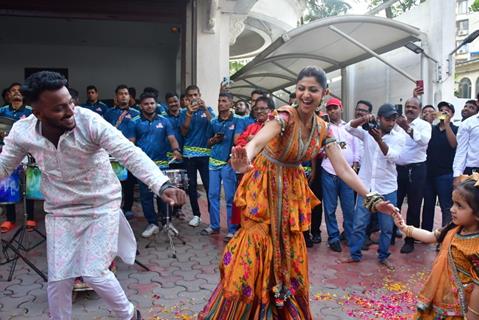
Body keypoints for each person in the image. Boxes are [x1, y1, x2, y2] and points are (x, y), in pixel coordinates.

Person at [198, 66, 398, 319]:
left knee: (288, 256)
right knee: (254, 255)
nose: (306, 94)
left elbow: (344, 169)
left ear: (324, 93)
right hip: (264, 189)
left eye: (312, 90)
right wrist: (243, 160)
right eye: (301, 88)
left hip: (291, 193)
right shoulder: (284, 116)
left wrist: (372, 198)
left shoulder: (323, 128)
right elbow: (257, 142)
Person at [0, 71, 186, 320]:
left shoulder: (89, 122)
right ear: (38, 113)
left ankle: (130, 315)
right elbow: (4, 166)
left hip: (101, 206)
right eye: (59, 108)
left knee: (94, 272)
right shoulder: (23, 132)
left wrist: (161, 185)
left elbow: (129, 153)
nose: (70, 111)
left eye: (70, 103)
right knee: (59, 279)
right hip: (60, 211)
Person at [392, 175, 479, 320]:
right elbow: (430, 236)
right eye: (453, 203)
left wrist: (472, 316)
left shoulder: (475, 246)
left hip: (460, 309)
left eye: (460, 206)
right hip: (440, 298)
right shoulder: (453, 228)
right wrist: (404, 227)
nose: (452, 209)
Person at [345, 103, 405, 270]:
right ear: (378, 118)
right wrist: (363, 118)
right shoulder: (367, 132)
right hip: (366, 187)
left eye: (394, 119)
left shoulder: (398, 136)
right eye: (387, 119)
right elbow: (348, 128)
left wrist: (379, 140)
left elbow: (394, 157)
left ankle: (383, 256)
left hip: (387, 188)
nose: (391, 123)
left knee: (387, 227)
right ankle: (355, 254)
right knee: (359, 223)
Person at [133, 92, 182, 238]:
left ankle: (167, 222)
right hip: (143, 165)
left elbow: (172, 138)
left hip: (162, 164)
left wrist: (176, 150)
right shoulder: (135, 122)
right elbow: (131, 142)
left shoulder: (164, 121)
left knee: (164, 194)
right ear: (141, 106)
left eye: (152, 103)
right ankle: (152, 223)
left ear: (156, 105)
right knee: (146, 196)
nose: (149, 106)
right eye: (146, 104)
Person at [321, 97, 360, 252]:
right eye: (329, 109)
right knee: (330, 208)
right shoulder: (323, 128)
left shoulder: (349, 127)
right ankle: (333, 237)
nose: (332, 111)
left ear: (341, 108)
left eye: (335, 108)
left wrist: (356, 163)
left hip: (347, 172)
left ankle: (350, 235)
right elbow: (317, 147)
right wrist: (323, 151)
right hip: (328, 171)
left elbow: (356, 145)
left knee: (349, 207)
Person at [201, 92, 241, 242]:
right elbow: (208, 143)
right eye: (219, 101)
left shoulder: (238, 121)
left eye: (224, 101)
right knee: (212, 195)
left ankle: (231, 229)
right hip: (213, 162)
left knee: (230, 197)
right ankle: (214, 225)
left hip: (228, 163)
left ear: (231, 104)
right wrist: (214, 139)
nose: (220, 103)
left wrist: (233, 158)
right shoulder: (214, 122)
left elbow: (239, 142)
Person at [395, 97, 432, 254]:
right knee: (393, 203)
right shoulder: (396, 124)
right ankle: (390, 234)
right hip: (397, 169)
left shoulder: (424, 125)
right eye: (407, 106)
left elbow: (424, 141)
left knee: (414, 206)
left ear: (419, 110)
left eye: (413, 107)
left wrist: (408, 128)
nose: (410, 109)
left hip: (416, 170)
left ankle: (409, 239)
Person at [0, 82, 36, 233]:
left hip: (26, 153)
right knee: (8, 184)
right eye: (13, 91)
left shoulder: (31, 112)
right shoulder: (1, 111)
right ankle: (10, 219)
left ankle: (30, 217)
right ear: (8, 95)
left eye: (19, 91)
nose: (16, 93)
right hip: (7, 152)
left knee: (28, 184)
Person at [180, 85, 215, 227]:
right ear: (187, 98)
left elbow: (214, 125)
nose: (194, 98)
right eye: (191, 96)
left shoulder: (209, 110)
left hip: (206, 154)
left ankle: (213, 216)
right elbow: (184, 132)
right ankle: (196, 215)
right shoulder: (184, 112)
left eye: (196, 95)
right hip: (189, 154)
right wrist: (189, 113)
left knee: (209, 186)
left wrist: (205, 109)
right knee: (192, 186)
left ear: (200, 94)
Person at [104, 85, 140, 219]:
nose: (124, 96)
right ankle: (113, 208)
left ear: (130, 97)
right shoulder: (108, 113)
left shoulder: (137, 113)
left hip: (129, 153)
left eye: (126, 93)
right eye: (121, 93)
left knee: (129, 183)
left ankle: (128, 208)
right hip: (111, 153)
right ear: (116, 97)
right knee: (113, 182)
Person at [422, 101, 458, 232]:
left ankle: (445, 235)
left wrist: (447, 124)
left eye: (446, 111)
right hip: (429, 174)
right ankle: (425, 233)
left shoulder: (455, 129)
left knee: (446, 207)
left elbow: (454, 144)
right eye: (441, 110)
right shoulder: (431, 129)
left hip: (446, 175)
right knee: (428, 205)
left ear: (452, 114)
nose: (443, 112)